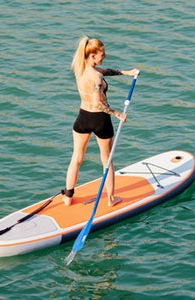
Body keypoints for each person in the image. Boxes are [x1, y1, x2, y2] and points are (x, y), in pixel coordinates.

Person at [62, 36, 139, 207]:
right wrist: (117, 114)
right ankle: (111, 199)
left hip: (83, 118)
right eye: (101, 54)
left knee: (76, 158)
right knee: (107, 160)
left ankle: (68, 197)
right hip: (100, 120)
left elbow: (105, 71)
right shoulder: (96, 77)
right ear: (92, 55)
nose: (104, 56)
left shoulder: (79, 68)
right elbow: (98, 103)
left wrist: (127, 73)